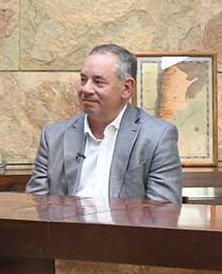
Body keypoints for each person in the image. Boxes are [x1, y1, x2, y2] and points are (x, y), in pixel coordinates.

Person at [25, 44, 182, 203]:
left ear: (127, 88)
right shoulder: (53, 137)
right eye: (83, 80)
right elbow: (36, 207)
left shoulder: (157, 137)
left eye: (98, 82)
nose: (86, 89)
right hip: (66, 226)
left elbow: (163, 213)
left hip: (126, 228)